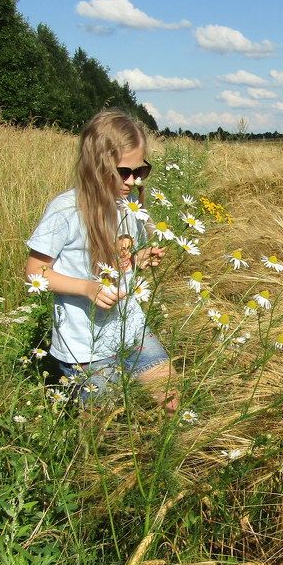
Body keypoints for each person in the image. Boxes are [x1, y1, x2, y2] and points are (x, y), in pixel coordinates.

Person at [25, 108, 178, 412]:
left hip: (129, 327)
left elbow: (124, 258)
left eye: (141, 171)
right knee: (101, 425)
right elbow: (34, 272)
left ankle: (171, 453)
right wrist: (86, 289)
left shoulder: (129, 203)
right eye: (124, 172)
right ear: (97, 165)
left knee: (171, 396)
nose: (133, 181)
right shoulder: (66, 210)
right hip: (85, 344)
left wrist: (141, 258)